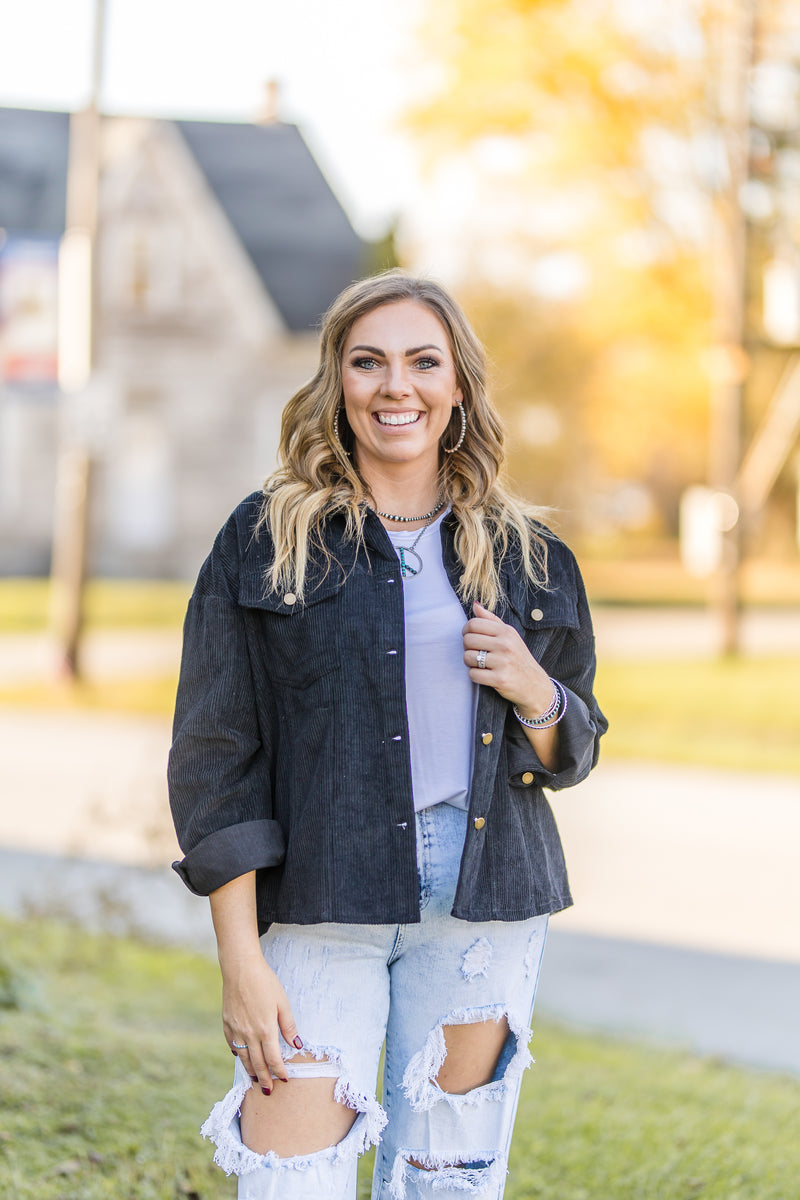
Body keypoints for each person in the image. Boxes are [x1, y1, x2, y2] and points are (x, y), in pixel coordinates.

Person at [168, 269, 607, 1200]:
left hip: (483, 908)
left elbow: (577, 748)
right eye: (368, 362)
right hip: (321, 899)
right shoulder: (266, 541)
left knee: (448, 1183)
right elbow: (215, 762)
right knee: (291, 1181)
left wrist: (535, 689)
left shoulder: (530, 555)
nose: (394, 385)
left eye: (421, 362)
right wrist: (240, 960)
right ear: (338, 383)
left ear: (457, 387)